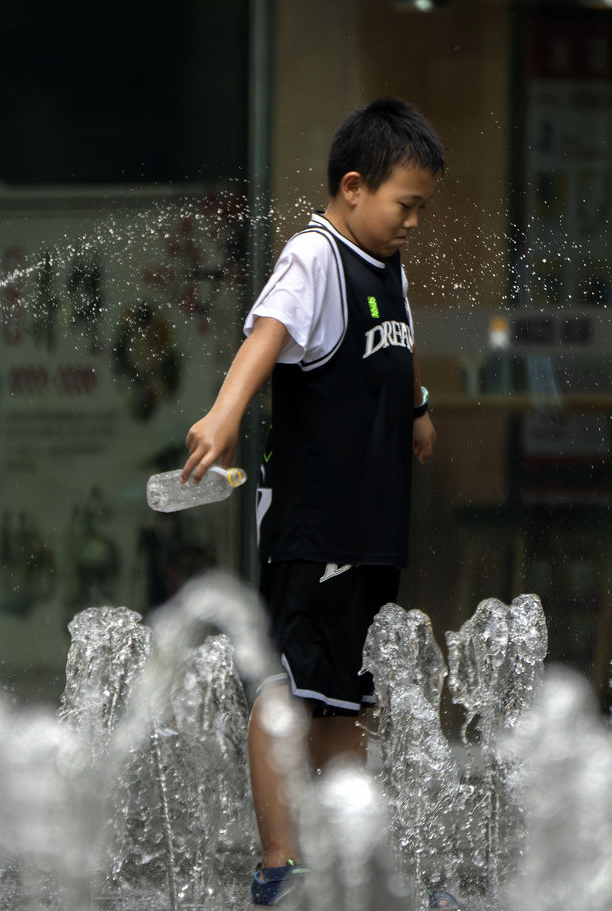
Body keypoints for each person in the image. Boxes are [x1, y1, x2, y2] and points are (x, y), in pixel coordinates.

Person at [180, 97, 453, 909]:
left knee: (349, 695)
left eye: (422, 209)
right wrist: (225, 414)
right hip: (315, 520)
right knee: (289, 691)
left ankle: (345, 863)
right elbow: (265, 335)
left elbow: (392, 344)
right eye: (406, 205)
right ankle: (279, 866)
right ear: (354, 185)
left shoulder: (384, 261)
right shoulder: (315, 255)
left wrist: (416, 405)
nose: (413, 222)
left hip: (370, 526)